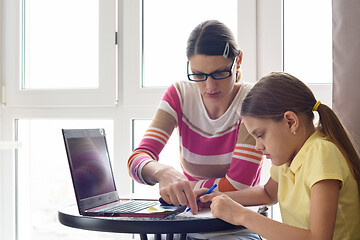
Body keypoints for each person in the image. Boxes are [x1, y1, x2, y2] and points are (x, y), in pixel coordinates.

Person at [127, 20, 264, 239]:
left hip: (234, 230)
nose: (209, 86)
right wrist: (164, 173)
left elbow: (237, 186)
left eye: (219, 73)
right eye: (198, 74)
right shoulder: (180, 95)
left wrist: (180, 189)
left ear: (238, 61)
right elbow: (136, 160)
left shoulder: (252, 101)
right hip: (185, 227)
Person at [199, 72, 360, 240]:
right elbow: (267, 193)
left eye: (260, 135)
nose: (257, 146)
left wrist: (241, 215)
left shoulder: (322, 153)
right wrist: (217, 198)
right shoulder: (288, 157)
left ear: (290, 121)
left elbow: (318, 238)